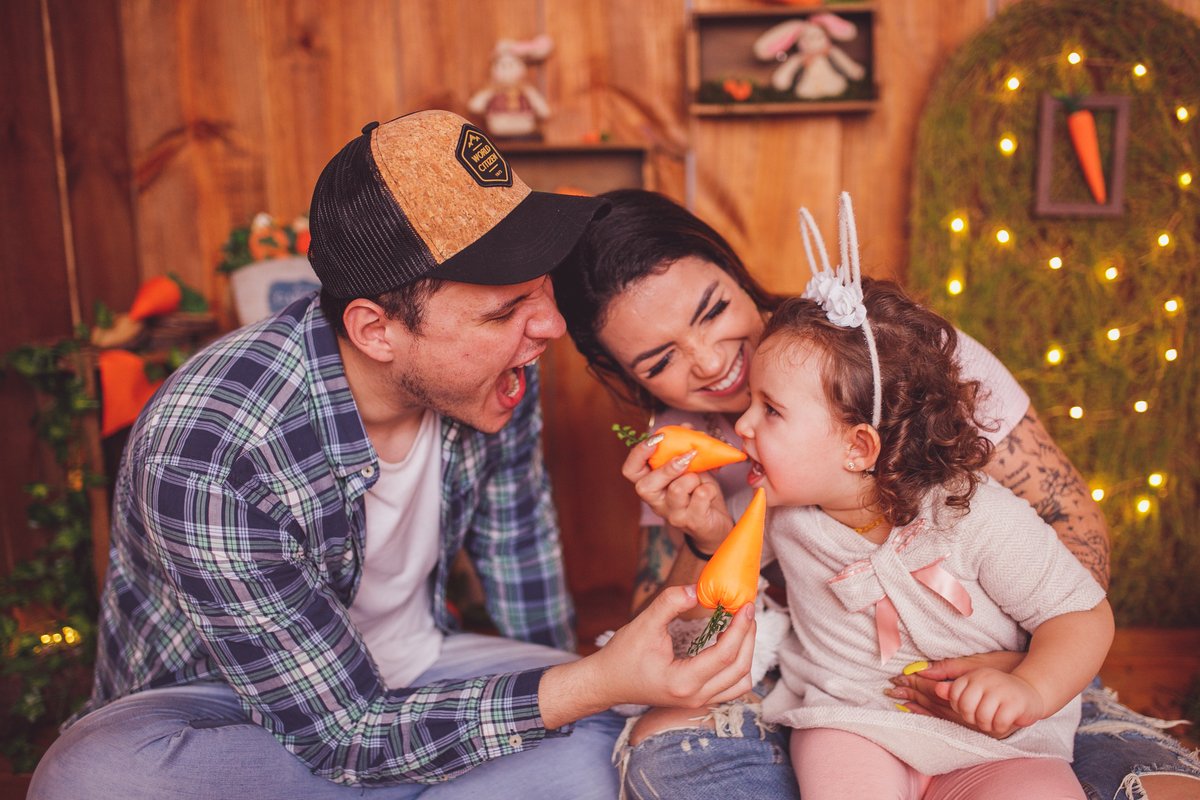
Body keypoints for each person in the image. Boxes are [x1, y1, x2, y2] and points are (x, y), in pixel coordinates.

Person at [28, 111, 755, 800]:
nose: (552, 326)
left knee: (609, 729)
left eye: (540, 288)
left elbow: (521, 569)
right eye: (504, 311)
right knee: (94, 780)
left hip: (425, 670)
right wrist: (581, 690)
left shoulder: (501, 372)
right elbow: (335, 728)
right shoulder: (211, 443)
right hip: (232, 710)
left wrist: (583, 692)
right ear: (376, 330)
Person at [553, 188, 1200, 800]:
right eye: (659, 360)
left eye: (714, 310)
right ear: (620, 374)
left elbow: (1069, 528)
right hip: (832, 697)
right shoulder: (682, 444)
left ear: (732, 267)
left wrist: (1020, 668)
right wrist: (701, 538)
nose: (710, 362)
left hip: (1007, 671)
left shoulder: (888, 356)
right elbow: (672, 638)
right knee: (668, 742)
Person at [736, 198, 1112, 798]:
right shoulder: (773, 512)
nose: (742, 425)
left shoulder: (977, 518)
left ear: (859, 447)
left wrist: (1030, 689)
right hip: (852, 725)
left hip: (997, 742)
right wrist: (702, 530)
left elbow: (1083, 615)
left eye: (770, 410)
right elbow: (716, 589)